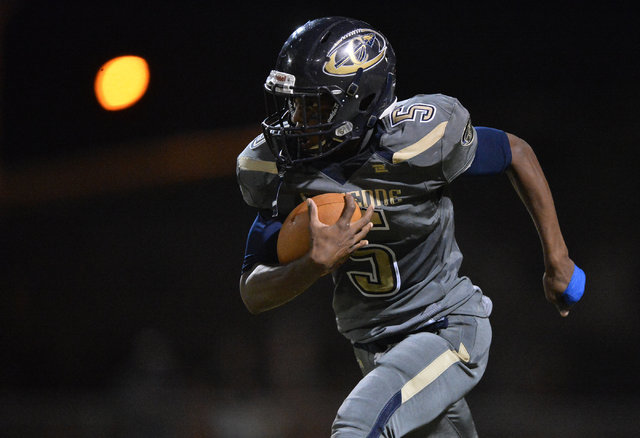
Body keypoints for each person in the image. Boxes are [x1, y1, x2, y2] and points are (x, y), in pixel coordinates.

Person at [235, 16, 585, 437]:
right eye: (293, 104)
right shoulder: (288, 170)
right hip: (371, 348)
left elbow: (516, 152)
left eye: (315, 106)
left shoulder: (418, 139)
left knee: (356, 426)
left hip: (444, 328)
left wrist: (557, 259)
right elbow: (253, 292)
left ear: (360, 100)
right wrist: (313, 264)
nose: (297, 120)